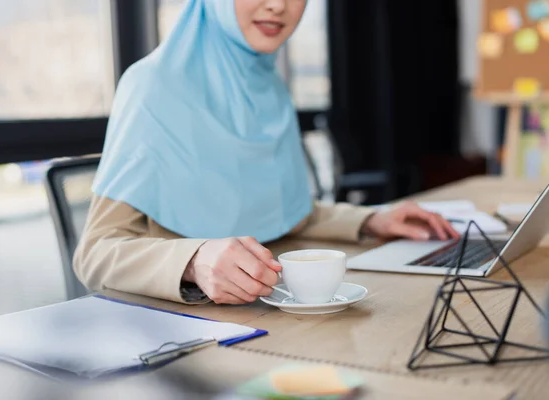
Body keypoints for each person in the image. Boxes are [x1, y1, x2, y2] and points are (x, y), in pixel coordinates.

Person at [73, 0, 459, 306]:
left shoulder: (270, 86)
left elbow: (281, 211)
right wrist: (193, 261)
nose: (278, 5)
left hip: (269, 309)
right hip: (184, 332)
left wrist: (374, 220)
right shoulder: (154, 86)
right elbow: (95, 254)